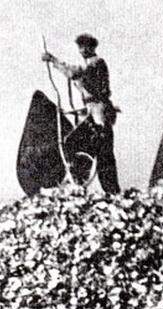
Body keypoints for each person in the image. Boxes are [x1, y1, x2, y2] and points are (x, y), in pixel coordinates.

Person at [41, 33, 121, 194]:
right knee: (84, 145)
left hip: (99, 110)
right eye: (80, 46)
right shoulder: (89, 65)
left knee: (101, 151)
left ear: (92, 48)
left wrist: (53, 60)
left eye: (86, 46)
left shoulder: (96, 64)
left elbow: (74, 73)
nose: (82, 50)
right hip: (93, 108)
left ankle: (109, 190)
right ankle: (80, 183)